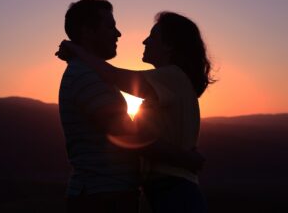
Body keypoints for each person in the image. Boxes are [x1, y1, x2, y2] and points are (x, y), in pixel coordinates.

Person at [57, 11, 214, 212]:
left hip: (174, 191)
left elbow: (113, 75)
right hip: (165, 189)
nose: (144, 41)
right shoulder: (167, 83)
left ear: (168, 45)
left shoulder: (173, 77)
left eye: (152, 36)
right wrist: (183, 156)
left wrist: (76, 50)